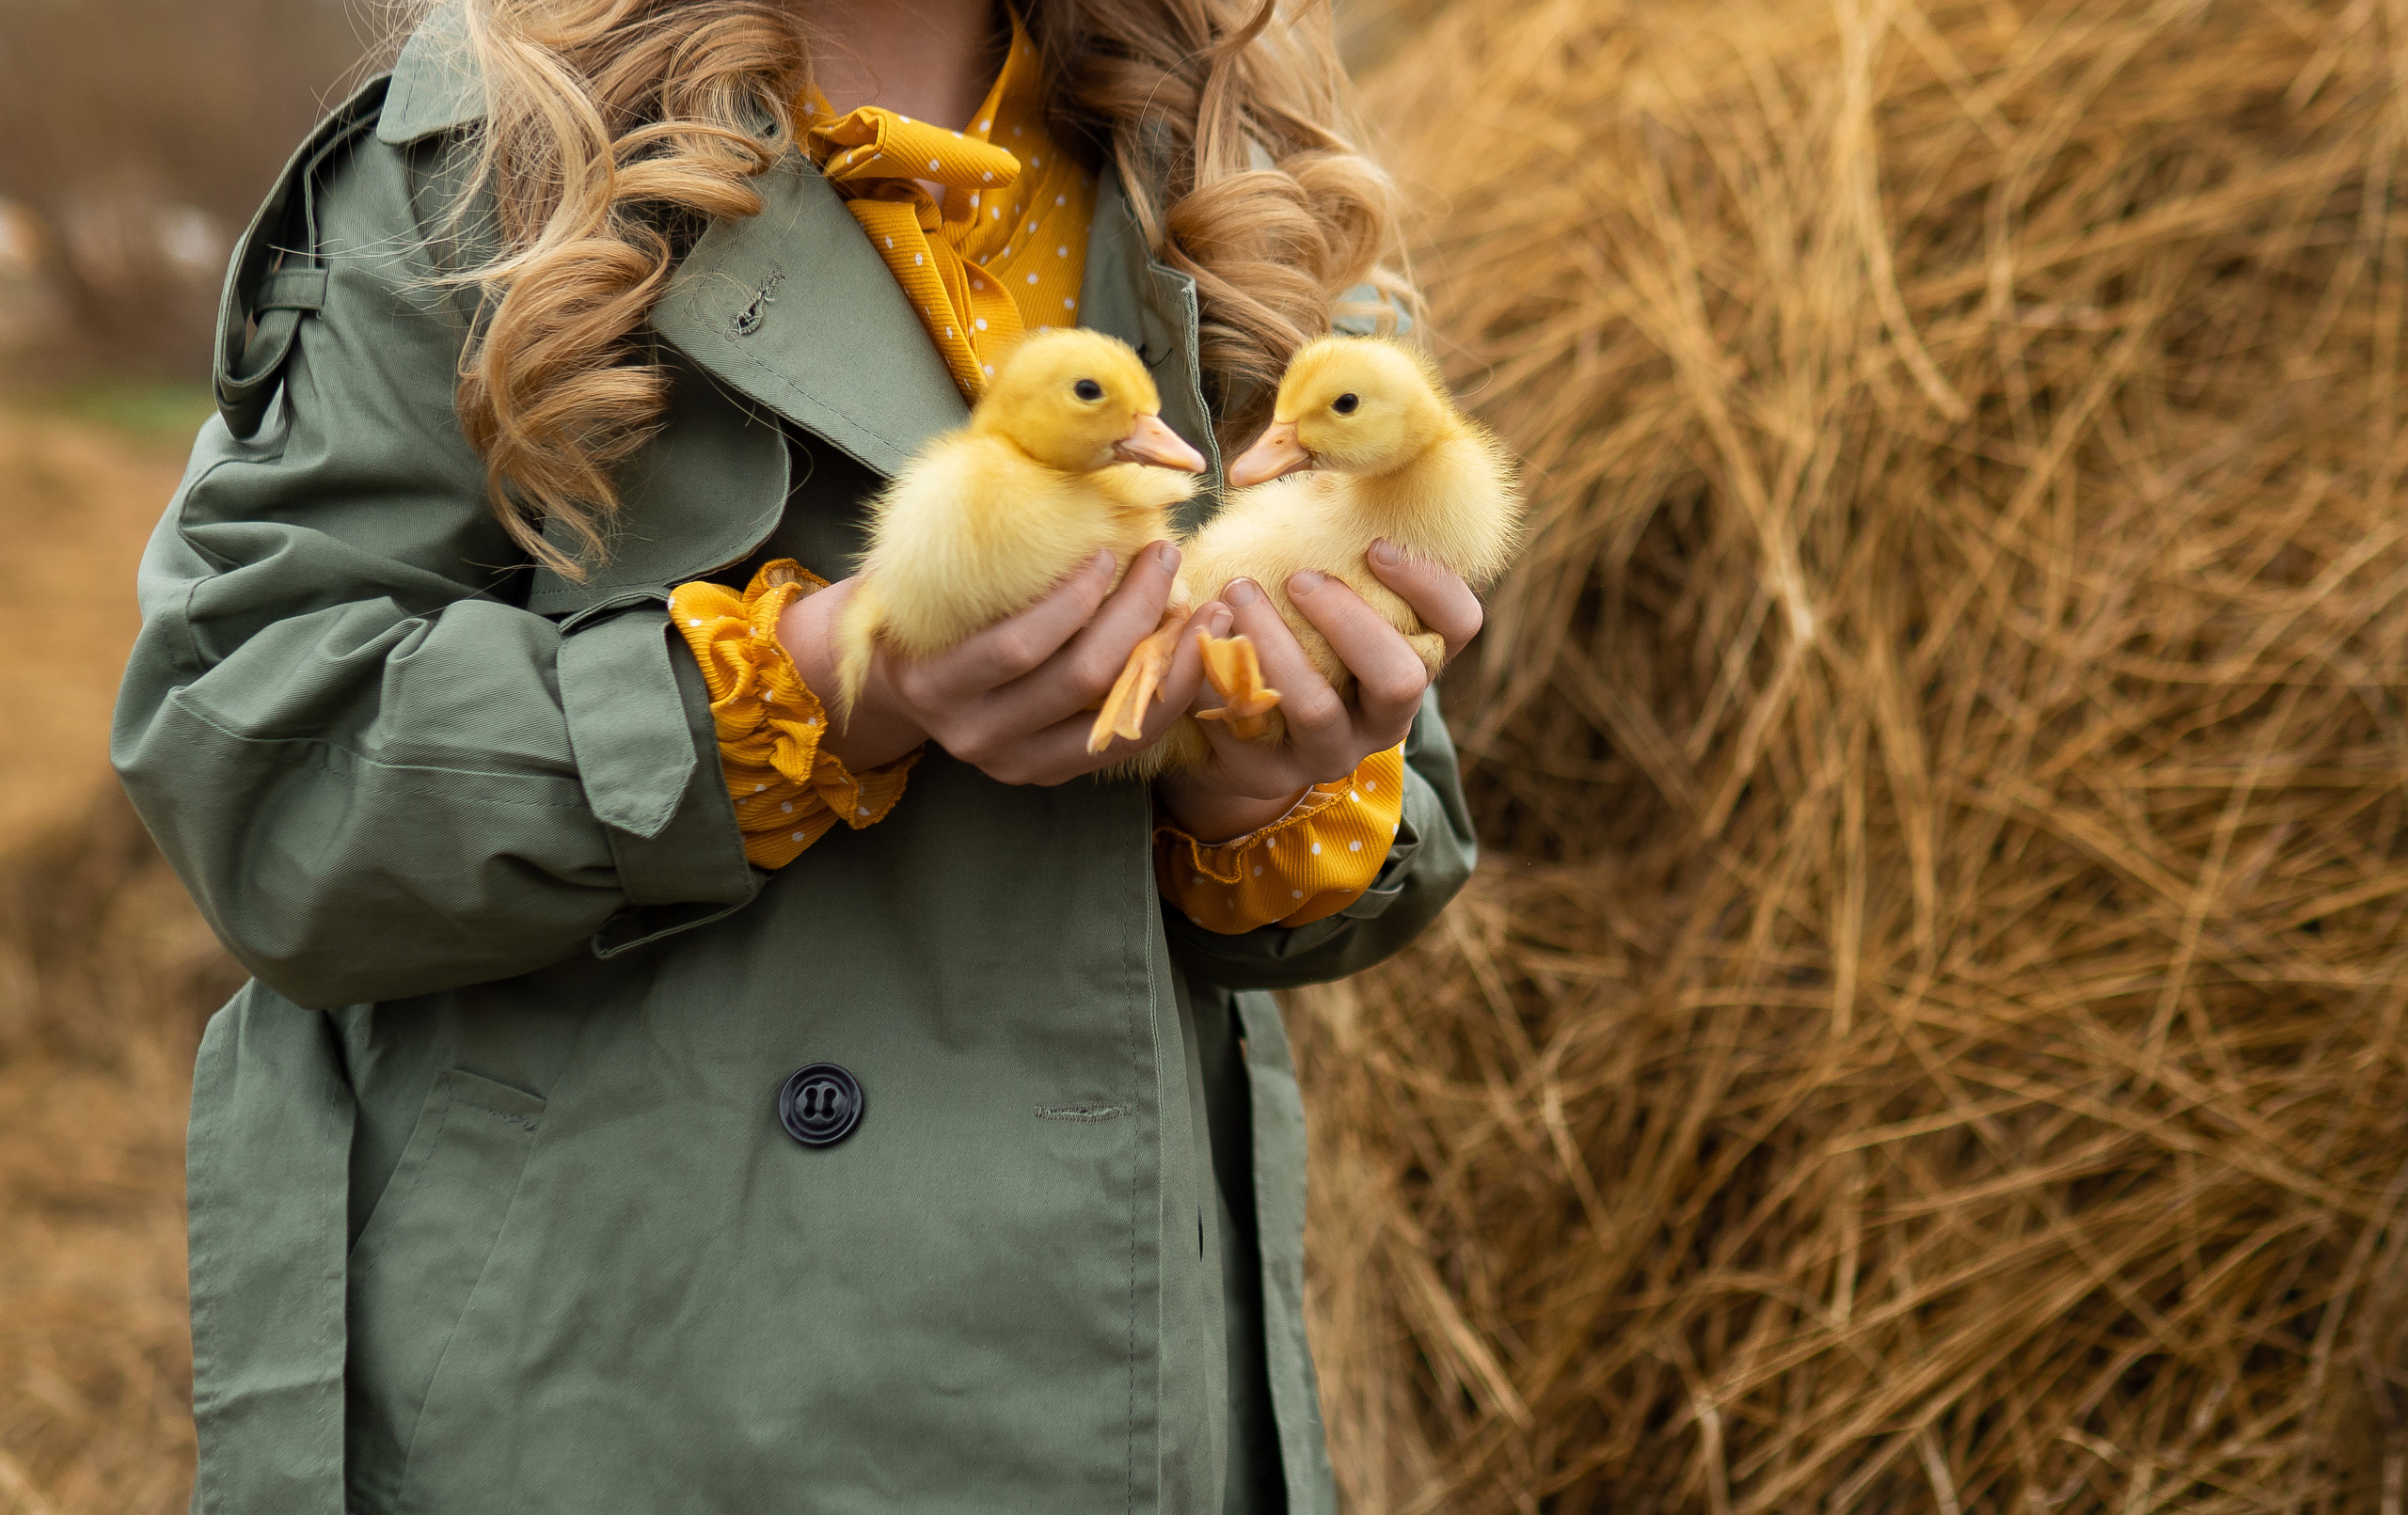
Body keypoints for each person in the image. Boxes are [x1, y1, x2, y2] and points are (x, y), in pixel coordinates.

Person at [112, 0, 1481, 1508]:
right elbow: (258, 767)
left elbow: (1401, 842)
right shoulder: (485, 158)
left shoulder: (1233, 167)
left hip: (1131, 1388)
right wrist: (799, 692)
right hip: (617, 1369)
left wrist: (1256, 788)